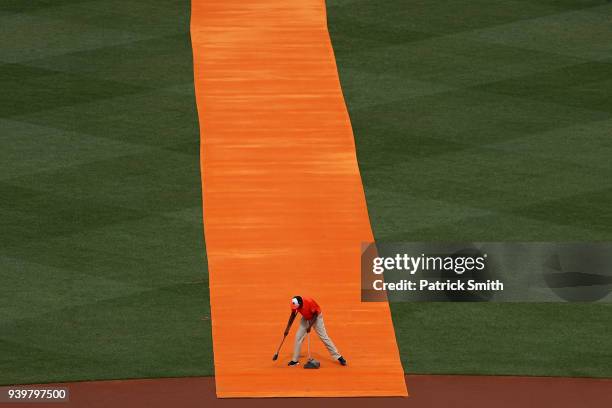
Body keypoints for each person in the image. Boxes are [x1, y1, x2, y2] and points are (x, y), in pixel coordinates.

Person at [287, 295, 347, 367]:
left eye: (298, 307)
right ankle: (294, 360)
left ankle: (339, 357)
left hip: (316, 317)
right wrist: (287, 328)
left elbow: (315, 314)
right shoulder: (294, 304)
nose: (297, 309)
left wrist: (310, 326)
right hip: (306, 317)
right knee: (298, 337)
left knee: (324, 337)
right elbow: (293, 315)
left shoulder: (309, 302)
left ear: (300, 303)